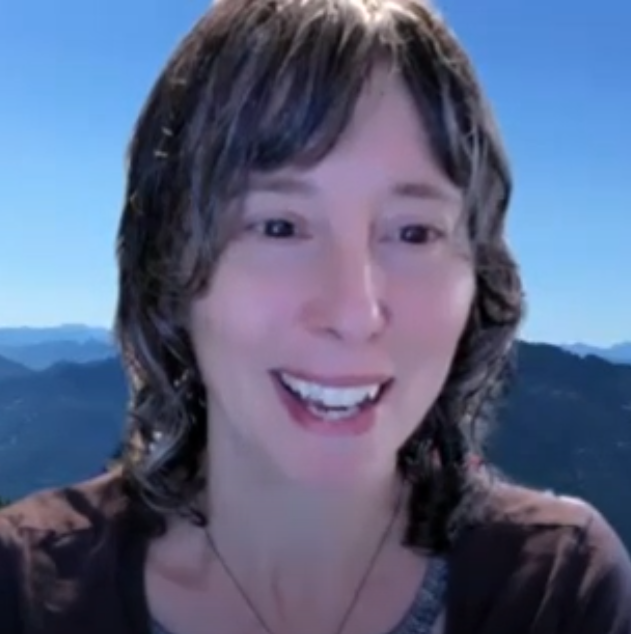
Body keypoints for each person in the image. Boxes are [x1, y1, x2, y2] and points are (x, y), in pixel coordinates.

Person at [1, 0, 630, 632]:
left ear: (477, 277)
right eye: (279, 227)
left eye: (413, 233)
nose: (354, 312)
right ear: (170, 267)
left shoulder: (554, 589)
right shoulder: (24, 591)